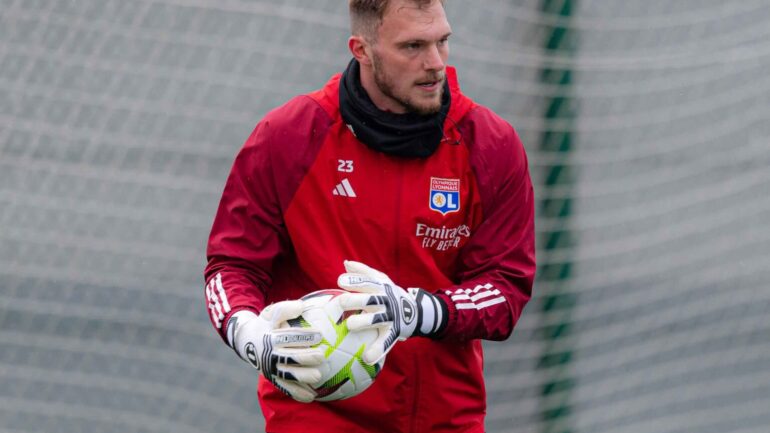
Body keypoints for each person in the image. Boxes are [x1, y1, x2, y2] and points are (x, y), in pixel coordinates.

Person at [203, 0, 536, 432]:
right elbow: (231, 267)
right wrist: (250, 334)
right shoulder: (289, 138)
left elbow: (505, 288)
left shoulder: (490, 145)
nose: (435, 63)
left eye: (442, 42)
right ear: (362, 50)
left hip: (443, 421)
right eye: (413, 46)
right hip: (313, 416)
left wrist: (418, 311)